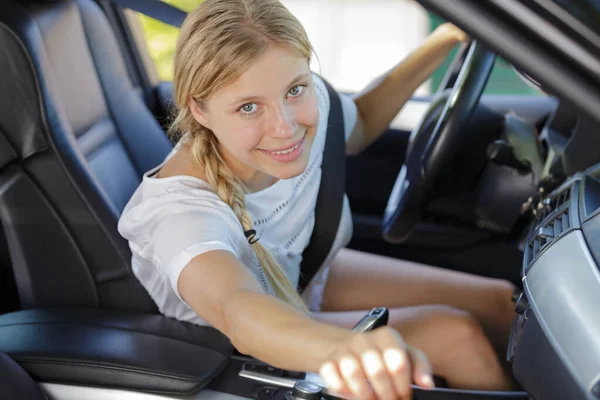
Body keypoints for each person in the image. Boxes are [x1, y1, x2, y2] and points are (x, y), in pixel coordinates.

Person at [118, 0, 517, 397]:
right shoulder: (180, 216)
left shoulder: (310, 110)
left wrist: (448, 36)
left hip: (308, 277)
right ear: (199, 110)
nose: (285, 128)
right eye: (248, 107)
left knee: (502, 303)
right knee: (457, 337)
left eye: (295, 89)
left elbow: (358, 123)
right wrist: (344, 350)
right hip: (248, 351)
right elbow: (237, 309)